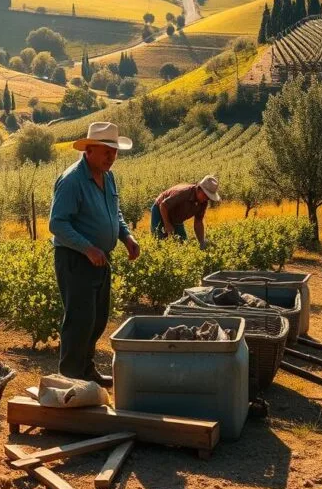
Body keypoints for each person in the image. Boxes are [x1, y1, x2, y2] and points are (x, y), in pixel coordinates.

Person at [49, 122, 141, 385]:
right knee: (79, 321)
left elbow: (115, 213)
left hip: (100, 258)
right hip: (76, 259)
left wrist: (126, 236)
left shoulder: (107, 176)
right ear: (89, 150)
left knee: (98, 319)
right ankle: (69, 378)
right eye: (106, 151)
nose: (112, 157)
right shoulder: (72, 181)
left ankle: (85, 370)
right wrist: (87, 248)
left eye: (114, 152)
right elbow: (57, 224)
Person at [151, 175, 222, 249]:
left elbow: (198, 222)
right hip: (160, 209)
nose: (206, 199)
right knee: (158, 240)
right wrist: (167, 224)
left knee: (183, 244)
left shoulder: (203, 202)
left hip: (177, 217)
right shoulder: (183, 193)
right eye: (206, 195)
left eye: (209, 197)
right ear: (199, 189)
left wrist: (201, 242)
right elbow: (163, 205)